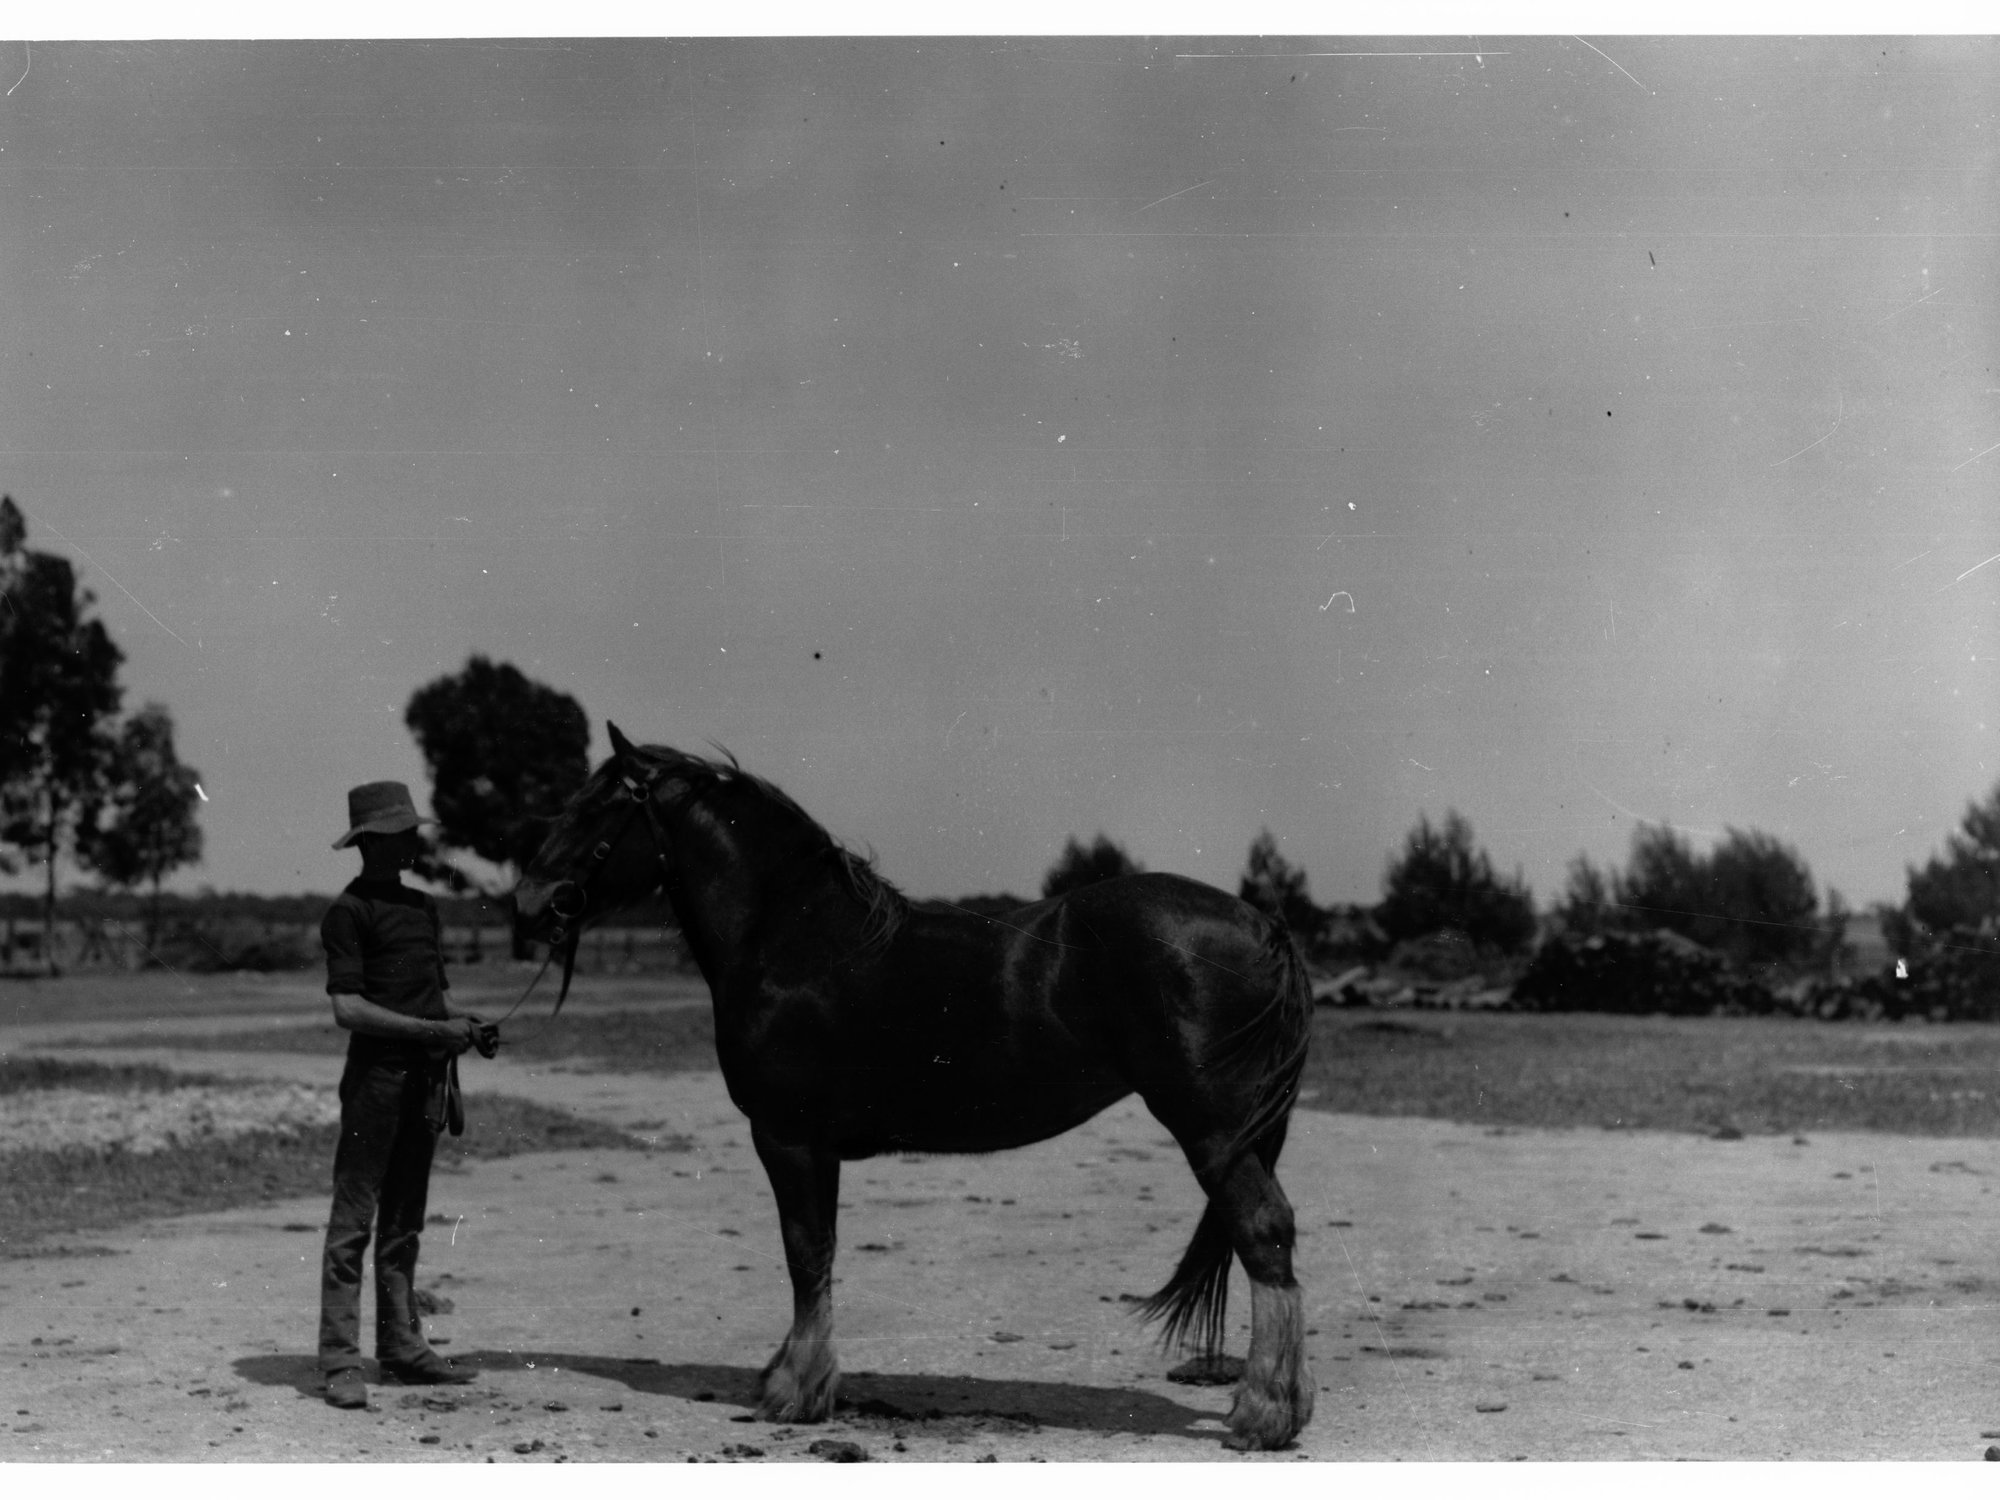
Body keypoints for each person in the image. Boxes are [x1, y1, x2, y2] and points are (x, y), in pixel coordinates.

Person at [317, 780, 497, 1410]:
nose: (414, 841)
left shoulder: (424, 909)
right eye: (402, 832)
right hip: (375, 1084)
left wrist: (466, 1023)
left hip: (425, 1083)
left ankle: (401, 1349)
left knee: (404, 1225)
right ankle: (340, 1361)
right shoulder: (348, 912)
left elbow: (435, 999)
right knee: (353, 1223)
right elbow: (348, 1008)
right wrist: (431, 1031)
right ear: (373, 841)